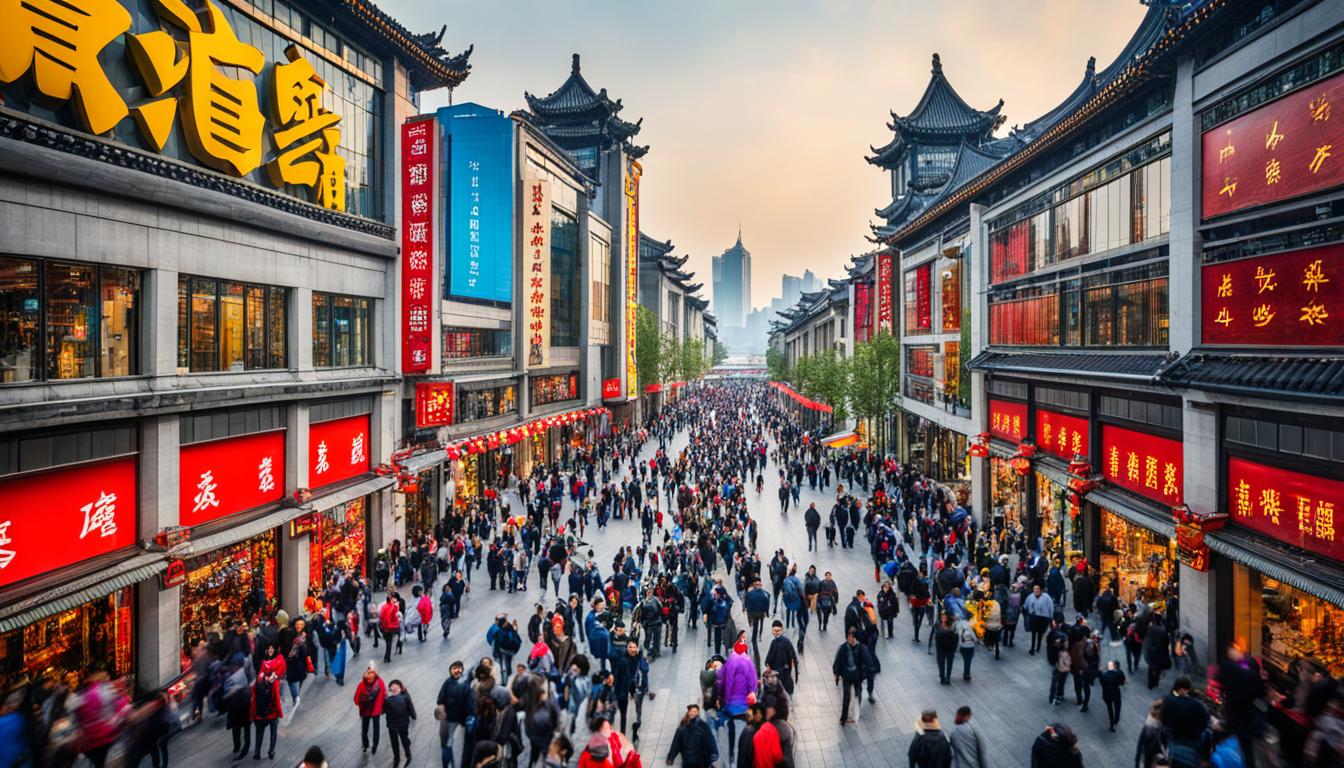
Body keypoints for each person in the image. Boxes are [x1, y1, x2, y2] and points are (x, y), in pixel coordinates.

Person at [1160, 677, 1209, 768]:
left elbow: (1162, 719)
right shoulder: (1195, 704)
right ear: (1182, 690)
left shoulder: (1166, 700)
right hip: (1191, 738)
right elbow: (1205, 719)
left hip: (1172, 736)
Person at [437, 660, 476, 768]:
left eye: (459, 668)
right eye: (454, 668)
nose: (457, 670)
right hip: (448, 718)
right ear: (450, 670)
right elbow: (440, 698)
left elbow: (470, 703)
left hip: (461, 719)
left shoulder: (466, 685)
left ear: (462, 670)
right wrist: (441, 708)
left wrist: (470, 717)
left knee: (456, 744)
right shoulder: (447, 682)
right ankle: (448, 764)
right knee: (446, 744)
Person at [832, 629, 875, 725]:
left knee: (857, 695)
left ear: (855, 638)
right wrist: (836, 674)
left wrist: (867, 672)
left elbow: (869, 661)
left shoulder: (861, 648)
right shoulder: (843, 648)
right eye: (849, 638)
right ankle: (843, 718)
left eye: (852, 638)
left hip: (857, 676)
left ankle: (855, 716)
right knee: (846, 697)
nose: (850, 640)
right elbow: (838, 661)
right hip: (847, 676)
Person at [250, 652, 284, 761]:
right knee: (273, 732)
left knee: (259, 734)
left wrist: (252, 714)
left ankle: (257, 752)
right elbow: (277, 700)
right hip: (272, 713)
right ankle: (271, 751)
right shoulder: (275, 682)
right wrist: (280, 713)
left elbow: (253, 698)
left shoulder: (258, 679)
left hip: (259, 714)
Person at [665, 704, 717, 768]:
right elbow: (675, 744)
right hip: (689, 760)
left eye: (695, 711)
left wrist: (714, 753)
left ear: (698, 713)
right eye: (691, 711)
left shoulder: (704, 726)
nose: (693, 713)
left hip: (702, 759)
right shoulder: (682, 729)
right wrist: (671, 758)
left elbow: (711, 739)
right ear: (688, 713)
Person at [355, 662, 387, 754]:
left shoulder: (361, 684)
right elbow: (384, 695)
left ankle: (365, 746)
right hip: (376, 711)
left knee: (364, 729)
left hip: (365, 711)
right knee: (376, 729)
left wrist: (362, 704)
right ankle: (375, 745)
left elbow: (356, 699)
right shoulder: (380, 683)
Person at [384, 678, 416, 766]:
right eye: (392, 687)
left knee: (404, 739)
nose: (393, 688)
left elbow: (410, 705)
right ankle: (397, 758)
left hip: (402, 723)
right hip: (393, 724)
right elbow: (384, 710)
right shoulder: (387, 698)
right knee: (395, 742)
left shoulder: (404, 695)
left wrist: (413, 715)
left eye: (396, 686)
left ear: (400, 687)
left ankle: (407, 755)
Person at [764, 621, 799, 695]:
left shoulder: (784, 642)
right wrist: (767, 664)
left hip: (782, 672)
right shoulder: (775, 642)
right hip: (778, 672)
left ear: (782, 630)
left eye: (778, 630)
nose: (776, 632)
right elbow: (770, 654)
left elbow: (791, 657)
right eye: (774, 630)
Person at [1023, 585, 1055, 656]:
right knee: (1033, 633)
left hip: (1043, 618)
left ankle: (1038, 647)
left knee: (1040, 633)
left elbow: (1051, 607)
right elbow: (1025, 606)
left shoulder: (1047, 598)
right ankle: (1032, 648)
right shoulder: (1030, 597)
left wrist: (1051, 617)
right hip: (1034, 618)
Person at [1135, 700, 1165, 768]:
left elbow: (1140, 746)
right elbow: (1148, 751)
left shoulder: (1149, 723)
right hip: (1149, 761)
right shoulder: (1153, 729)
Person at [1098, 660, 1126, 732]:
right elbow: (1122, 683)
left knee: (1109, 708)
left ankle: (1112, 724)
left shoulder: (1103, 674)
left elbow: (1101, 684)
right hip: (1115, 692)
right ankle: (1116, 719)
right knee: (1117, 706)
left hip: (1106, 693)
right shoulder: (1119, 673)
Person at [932, 615, 958, 686]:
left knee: (948, 664)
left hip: (949, 649)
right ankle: (942, 677)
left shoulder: (951, 628)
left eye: (945, 617)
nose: (944, 619)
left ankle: (947, 678)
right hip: (941, 649)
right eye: (943, 617)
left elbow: (955, 639)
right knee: (941, 664)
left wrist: (954, 648)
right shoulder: (938, 625)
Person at [956, 614, 977, 682]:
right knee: (968, 660)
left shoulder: (959, 626)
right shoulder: (971, 627)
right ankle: (966, 674)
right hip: (970, 646)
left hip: (963, 646)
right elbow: (974, 638)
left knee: (966, 660)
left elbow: (958, 636)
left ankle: (966, 673)